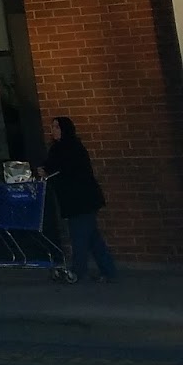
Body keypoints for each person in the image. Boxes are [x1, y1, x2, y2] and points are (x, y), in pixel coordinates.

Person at [47, 116, 116, 282]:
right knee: (92, 237)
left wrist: (48, 170)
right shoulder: (61, 148)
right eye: (53, 127)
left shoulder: (71, 148)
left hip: (80, 200)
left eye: (57, 127)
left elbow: (64, 168)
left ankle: (78, 272)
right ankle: (108, 271)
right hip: (80, 200)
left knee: (79, 237)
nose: (53, 130)